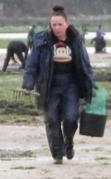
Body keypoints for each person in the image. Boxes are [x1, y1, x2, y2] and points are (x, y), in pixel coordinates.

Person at [23, 5, 95, 164]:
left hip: (71, 85)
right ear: (50, 24)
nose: (56, 28)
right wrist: (28, 83)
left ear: (67, 24)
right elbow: (32, 64)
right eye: (53, 25)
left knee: (71, 118)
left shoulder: (75, 39)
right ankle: (57, 153)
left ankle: (68, 143)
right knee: (52, 119)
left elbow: (85, 63)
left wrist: (91, 84)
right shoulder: (41, 40)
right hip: (49, 85)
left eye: (59, 24)